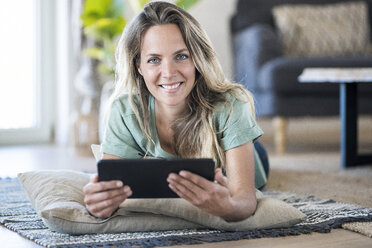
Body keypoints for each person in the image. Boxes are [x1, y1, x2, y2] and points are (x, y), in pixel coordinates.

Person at [83, 1, 269, 221]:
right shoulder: (125, 111)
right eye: (154, 60)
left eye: (181, 56)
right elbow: (109, 188)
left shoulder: (230, 104)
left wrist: (227, 207)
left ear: (197, 59)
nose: (169, 73)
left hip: (244, 153)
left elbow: (244, 202)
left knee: (255, 150)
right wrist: (99, 204)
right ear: (138, 66)